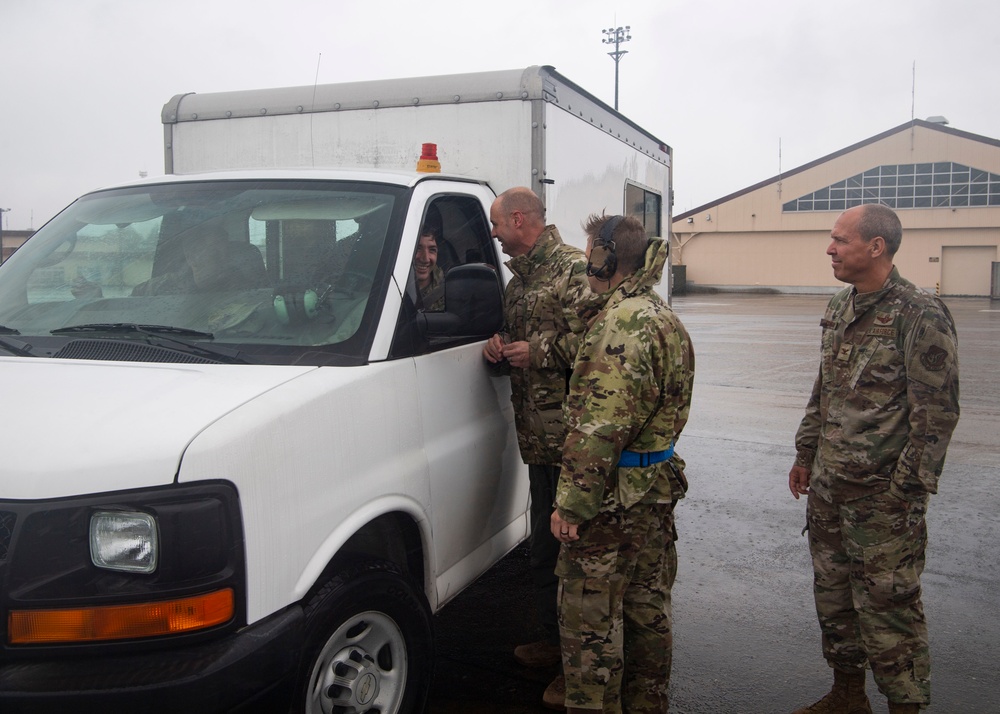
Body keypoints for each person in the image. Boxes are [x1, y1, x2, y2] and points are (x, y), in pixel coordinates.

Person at [788, 204, 960, 714]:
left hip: (881, 501)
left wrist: (902, 491)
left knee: (889, 612)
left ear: (876, 247)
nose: (830, 248)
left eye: (840, 239)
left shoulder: (919, 313)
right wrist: (805, 452)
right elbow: (826, 389)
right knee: (835, 601)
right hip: (829, 488)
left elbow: (937, 415)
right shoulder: (841, 306)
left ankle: (906, 707)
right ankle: (846, 695)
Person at [549, 214, 693, 714]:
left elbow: (599, 428)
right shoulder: (656, 313)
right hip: (652, 489)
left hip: (612, 499)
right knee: (646, 610)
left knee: (590, 621)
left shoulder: (622, 323)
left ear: (606, 256)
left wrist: (571, 505)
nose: (586, 261)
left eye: (591, 252)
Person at [482, 186, 591, 710]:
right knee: (544, 552)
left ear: (520, 220)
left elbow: (599, 345)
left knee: (577, 560)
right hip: (537, 441)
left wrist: (540, 351)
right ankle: (553, 642)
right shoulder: (518, 282)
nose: (494, 234)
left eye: (498, 224)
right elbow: (512, 335)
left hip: (573, 443)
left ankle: (580, 668)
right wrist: (497, 346)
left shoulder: (572, 269)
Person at [414, 224, 445, 311]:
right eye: (418, 248)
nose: (425, 258)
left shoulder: (449, 293)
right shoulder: (387, 286)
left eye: (432, 250)